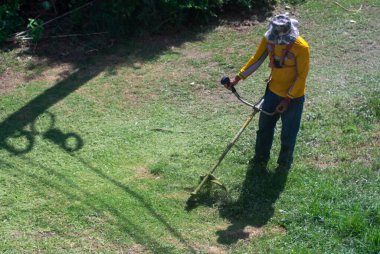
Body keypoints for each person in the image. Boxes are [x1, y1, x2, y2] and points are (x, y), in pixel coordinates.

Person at [225, 14, 310, 170]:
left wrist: (288, 99)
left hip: (293, 98)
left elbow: (301, 76)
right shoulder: (269, 39)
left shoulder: (301, 47)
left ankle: (284, 164)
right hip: (272, 92)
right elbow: (256, 59)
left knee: (288, 133)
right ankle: (260, 159)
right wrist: (237, 78)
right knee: (264, 129)